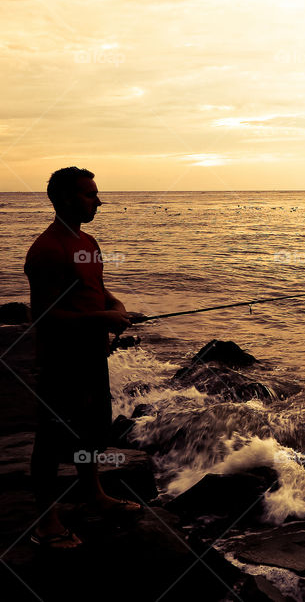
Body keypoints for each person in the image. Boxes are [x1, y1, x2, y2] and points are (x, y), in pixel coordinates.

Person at [24, 166, 143, 550]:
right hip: (62, 361)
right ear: (64, 199)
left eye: (96, 193)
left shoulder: (87, 242)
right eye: (90, 194)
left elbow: (99, 289)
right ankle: (45, 523)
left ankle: (92, 492)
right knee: (50, 439)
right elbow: (42, 315)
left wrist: (117, 307)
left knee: (90, 431)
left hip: (92, 355)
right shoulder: (46, 249)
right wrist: (101, 319)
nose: (98, 200)